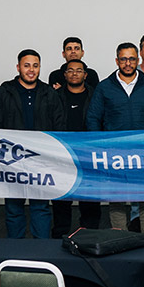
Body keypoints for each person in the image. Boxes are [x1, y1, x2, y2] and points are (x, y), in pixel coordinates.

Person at [86, 42, 144, 239]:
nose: (127, 63)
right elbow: (93, 118)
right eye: (123, 59)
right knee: (116, 200)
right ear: (117, 61)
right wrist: (99, 148)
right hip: (115, 154)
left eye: (132, 59)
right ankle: (119, 241)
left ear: (138, 60)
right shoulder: (104, 87)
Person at [0, 49, 64, 239]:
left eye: (35, 66)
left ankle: (42, 248)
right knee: (14, 207)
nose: (31, 70)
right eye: (27, 65)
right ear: (18, 67)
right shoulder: (3, 92)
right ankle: (16, 248)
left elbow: (59, 126)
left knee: (41, 207)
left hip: (41, 160)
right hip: (12, 160)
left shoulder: (49, 93)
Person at [51, 59, 102, 237]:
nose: (74, 74)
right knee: (61, 199)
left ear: (85, 75)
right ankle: (60, 236)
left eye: (79, 70)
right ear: (65, 75)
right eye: (70, 70)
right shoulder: (54, 96)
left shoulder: (96, 95)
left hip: (89, 155)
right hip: (62, 154)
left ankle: (89, 235)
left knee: (90, 200)